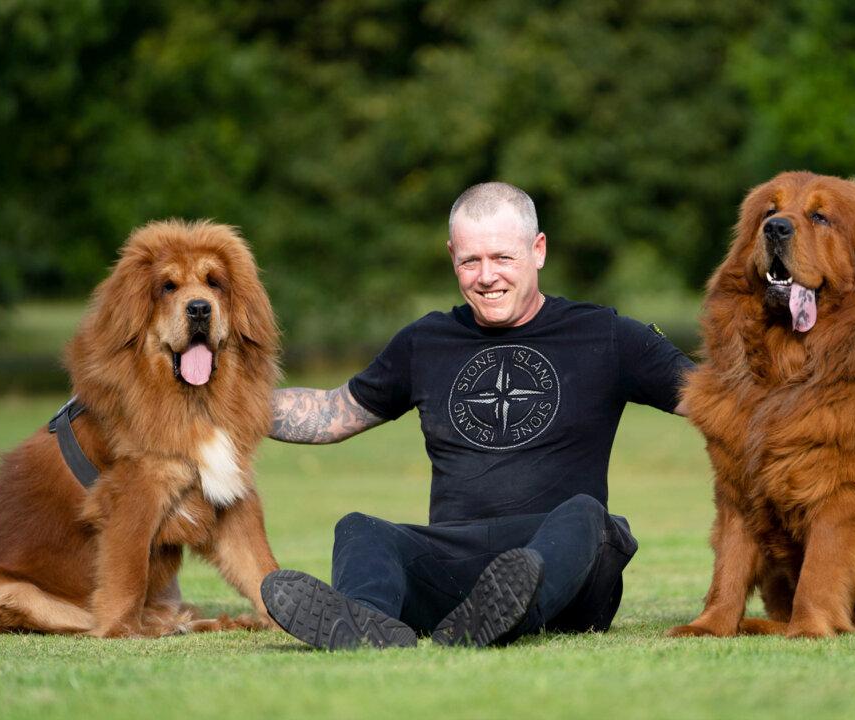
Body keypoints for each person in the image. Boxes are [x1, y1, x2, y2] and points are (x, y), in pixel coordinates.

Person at [260, 182, 694, 650]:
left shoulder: (605, 335)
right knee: (359, 530)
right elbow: (331, 412)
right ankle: (365, 625)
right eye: (471, 261)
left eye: (502, 258)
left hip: (566, 567)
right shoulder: (425, 341)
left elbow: (717, 400)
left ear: (538, 250)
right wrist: (211, 400)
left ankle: (514, 609)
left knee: (589, 516)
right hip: (454, 563)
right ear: (453, 257)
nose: (486, 276)